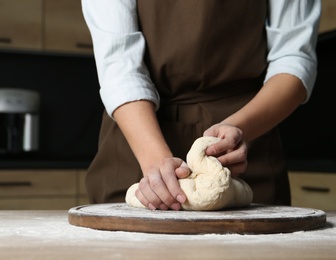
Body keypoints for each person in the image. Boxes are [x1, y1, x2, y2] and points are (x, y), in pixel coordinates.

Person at [81, 0, 321, 211]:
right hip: (138, 139)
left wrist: (240, 127)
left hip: (243, 146)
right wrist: (156, 162)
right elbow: (120, 66)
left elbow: (294, 59)